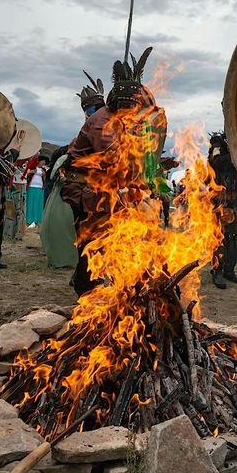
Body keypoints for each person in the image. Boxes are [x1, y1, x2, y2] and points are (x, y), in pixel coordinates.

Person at [62, 48, 166, 295]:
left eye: (134, 107)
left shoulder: (123, 120)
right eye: (128, 107)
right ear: (116, 104)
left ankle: (114, 287)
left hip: (103, 190)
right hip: (87, 192)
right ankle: (87, 295)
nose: (131, 112)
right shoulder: (101, 123)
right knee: (92, 243)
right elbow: (115, 160)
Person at [207, 132, 237, 289]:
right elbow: (216, 162)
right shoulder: (218, 145)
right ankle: (217, 270)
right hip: (220, 201)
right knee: (220, 238)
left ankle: (229, 269)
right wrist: (236, 156)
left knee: (235, 236)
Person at [25, 156, 47, 227]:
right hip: (31, 186)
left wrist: (44, 175)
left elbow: (44, 179)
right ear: (39, 161)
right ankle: (29, 219)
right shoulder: (32, 167)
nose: (43, 162)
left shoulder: (43, 170)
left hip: (40, 187)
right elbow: (26, 174)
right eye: (42, 161)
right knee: (31, 202)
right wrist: (31, 171)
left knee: (38, 203)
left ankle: (37, 220)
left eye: (44, 162)